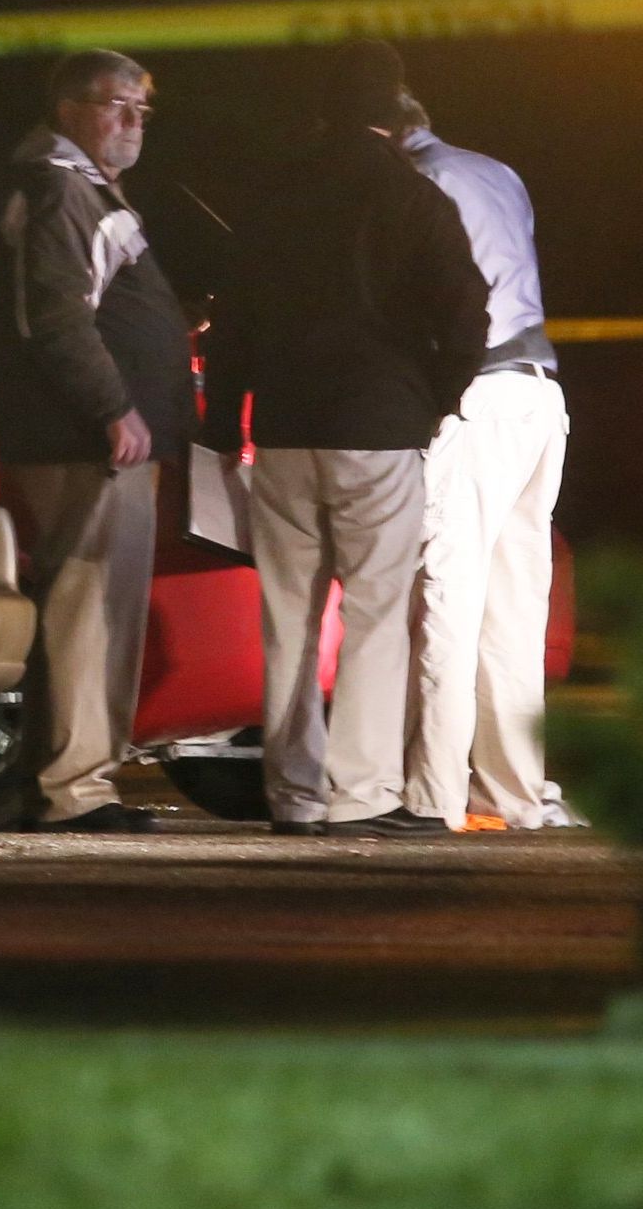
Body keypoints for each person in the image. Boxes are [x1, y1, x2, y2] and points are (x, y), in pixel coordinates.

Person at [200, 42, 487, 837]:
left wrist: (225, 421)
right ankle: (361, 793)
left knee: (287, 617)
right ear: (393, 113)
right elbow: (469, 314)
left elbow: (233, 324)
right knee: (377, 612)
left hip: (287, 430)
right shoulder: (415, 197)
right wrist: (437, 399)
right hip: (382, 429)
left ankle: (293, 795)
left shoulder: (273, 197)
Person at [0, 48, 196, 832]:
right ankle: (76, 788)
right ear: (70, 107)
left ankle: (55, 779)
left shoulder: (77, 189)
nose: (134, 123)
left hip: (94, 439)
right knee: (90, 610)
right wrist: (116, 407)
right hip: (88, 443)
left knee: (84, 608)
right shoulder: (62, 190)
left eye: (144, 108)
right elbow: (58, 315)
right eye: (118, 105)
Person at [398, 92, 568, 833]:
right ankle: (514, 795)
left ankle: (431, 796)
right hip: (540, 397)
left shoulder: (414, 187)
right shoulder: (497, 172)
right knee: (514, 614)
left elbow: (432, 305)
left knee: (447, 600)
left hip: (477, 400)